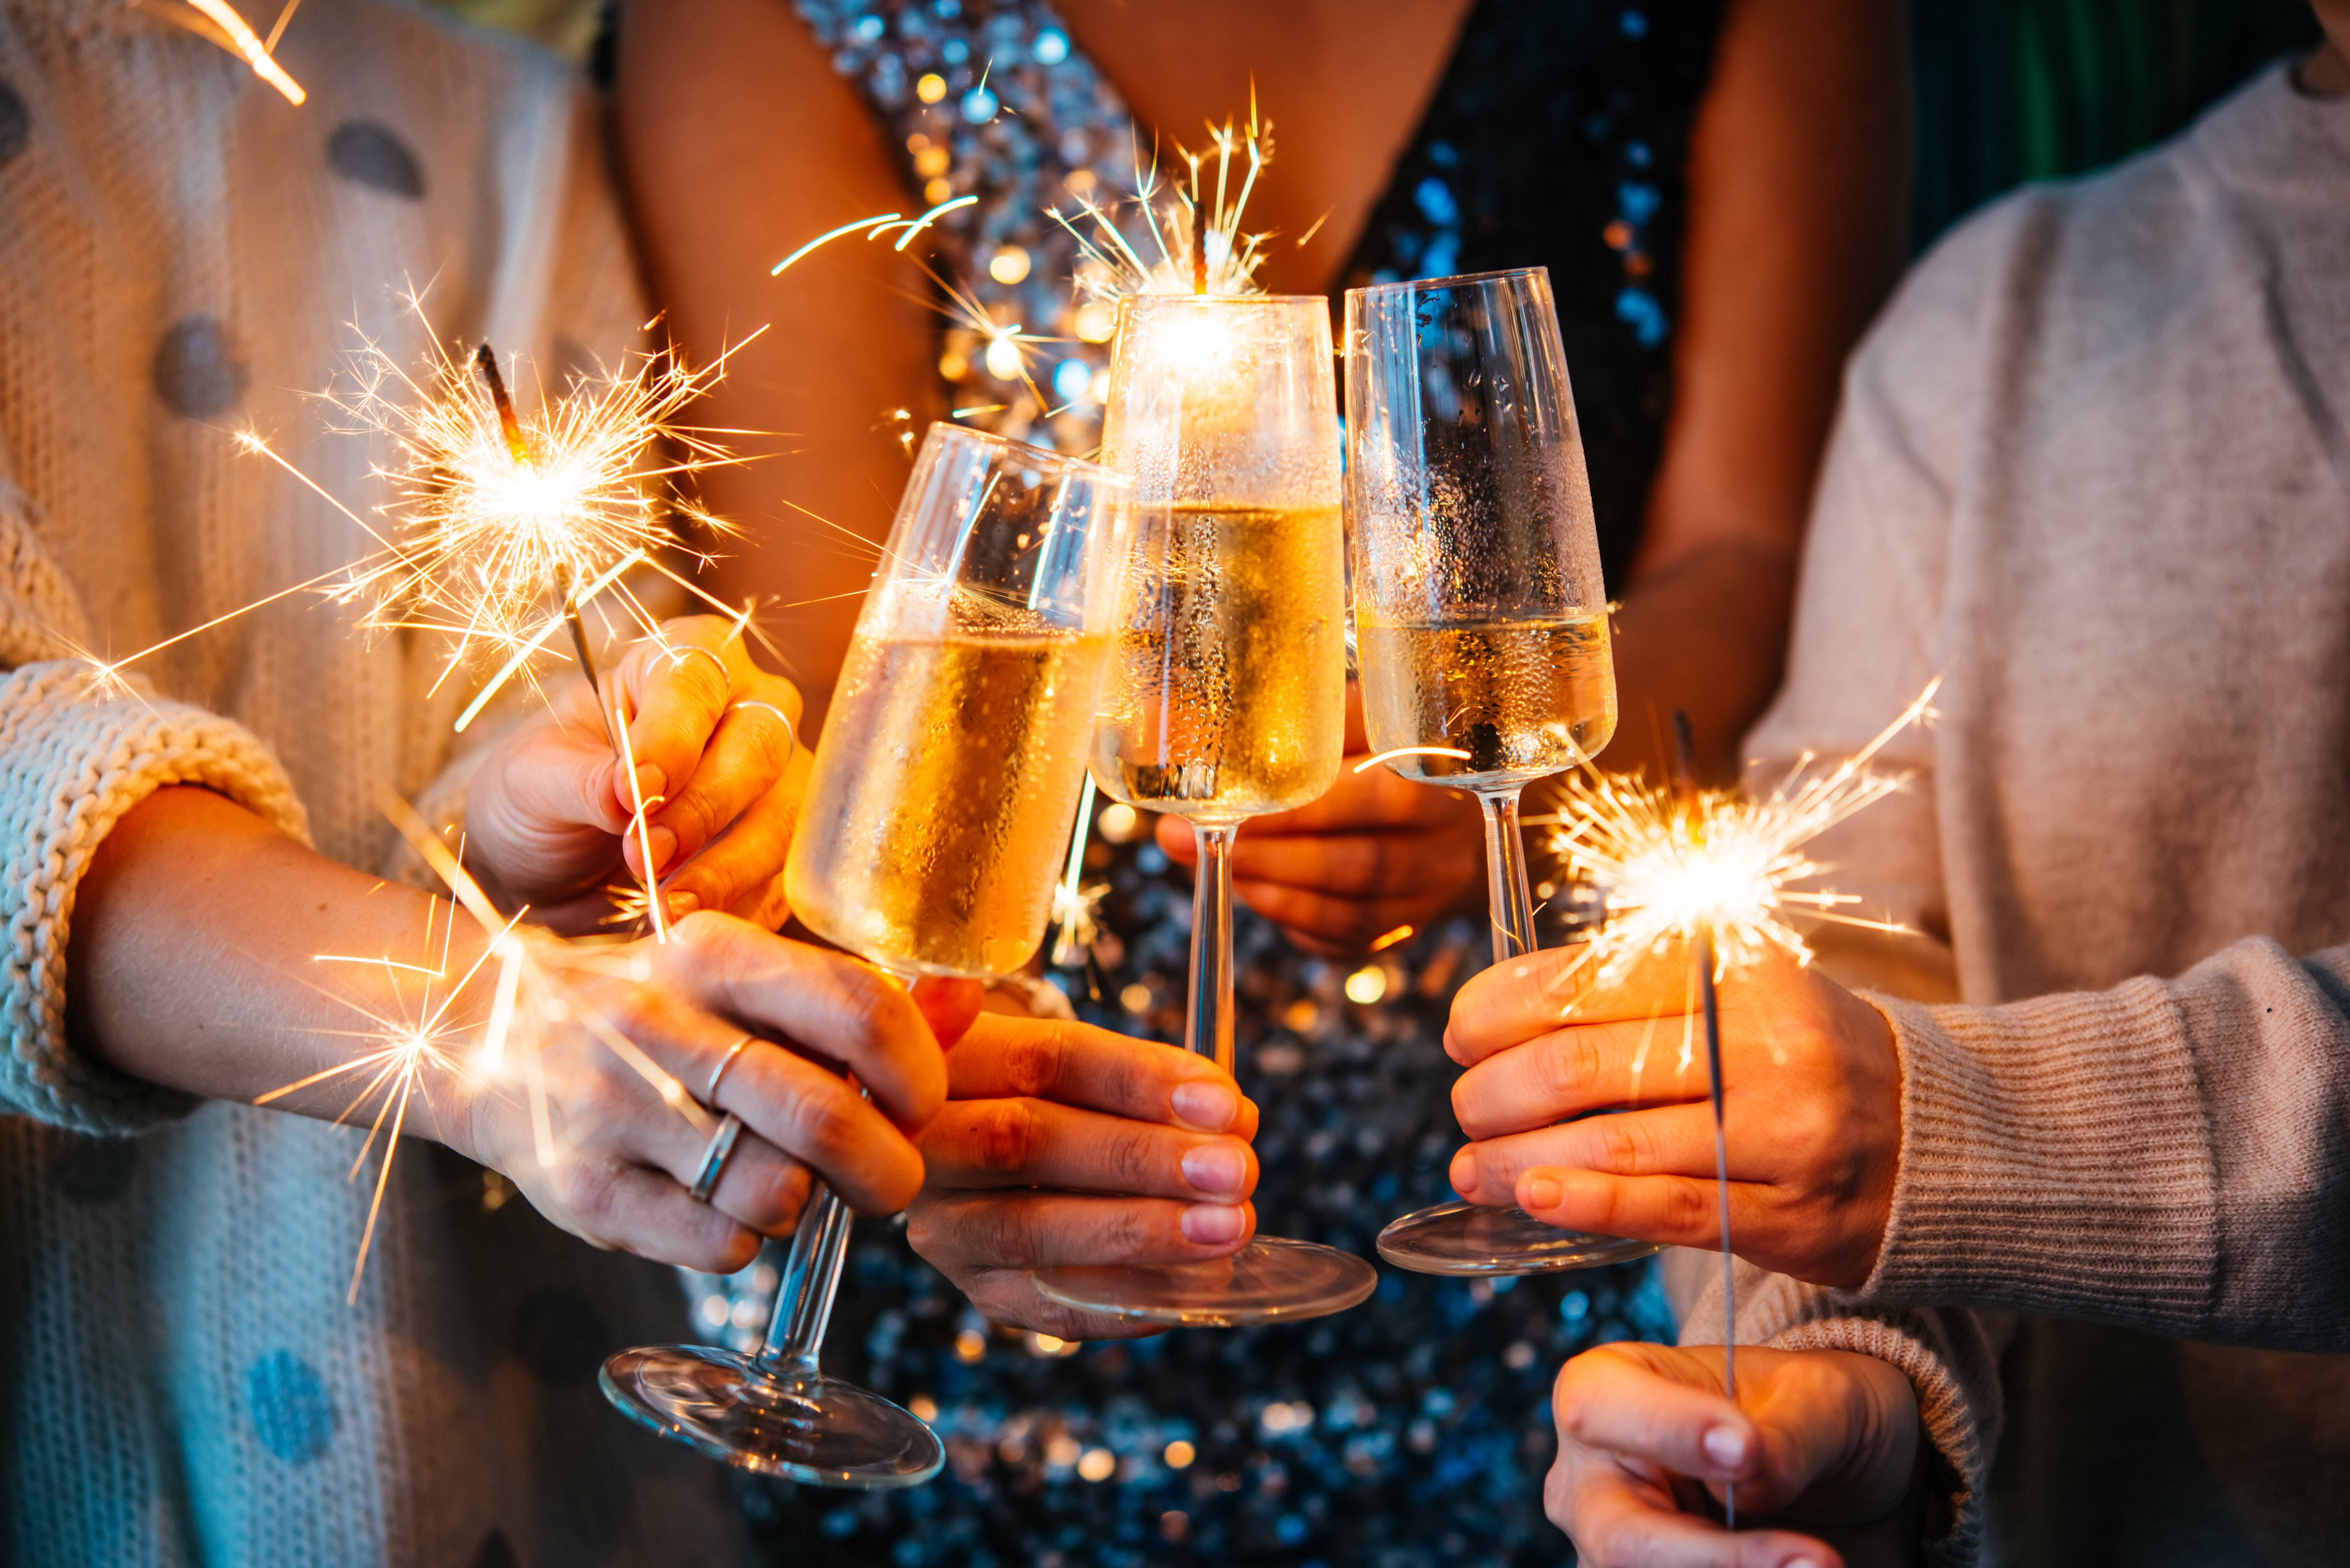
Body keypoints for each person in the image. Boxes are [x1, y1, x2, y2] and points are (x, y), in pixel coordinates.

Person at [615, 1, 1909, 1560]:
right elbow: (847, 678)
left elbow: (1751, 547)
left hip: (1540, 1246)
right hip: (998, 1232)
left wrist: (1485, 755)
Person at [0, 4, 1264, 1562]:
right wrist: (488, 1021)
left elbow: (511, 712)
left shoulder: (523, 119)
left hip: (490, 1438)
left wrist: (541, 826)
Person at [1442, 7, 2350, 1561]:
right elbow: (1850, 943)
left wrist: (1950, 1130)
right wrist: (1840, 1391)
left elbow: (1901, 1098)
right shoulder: (1999, 320)